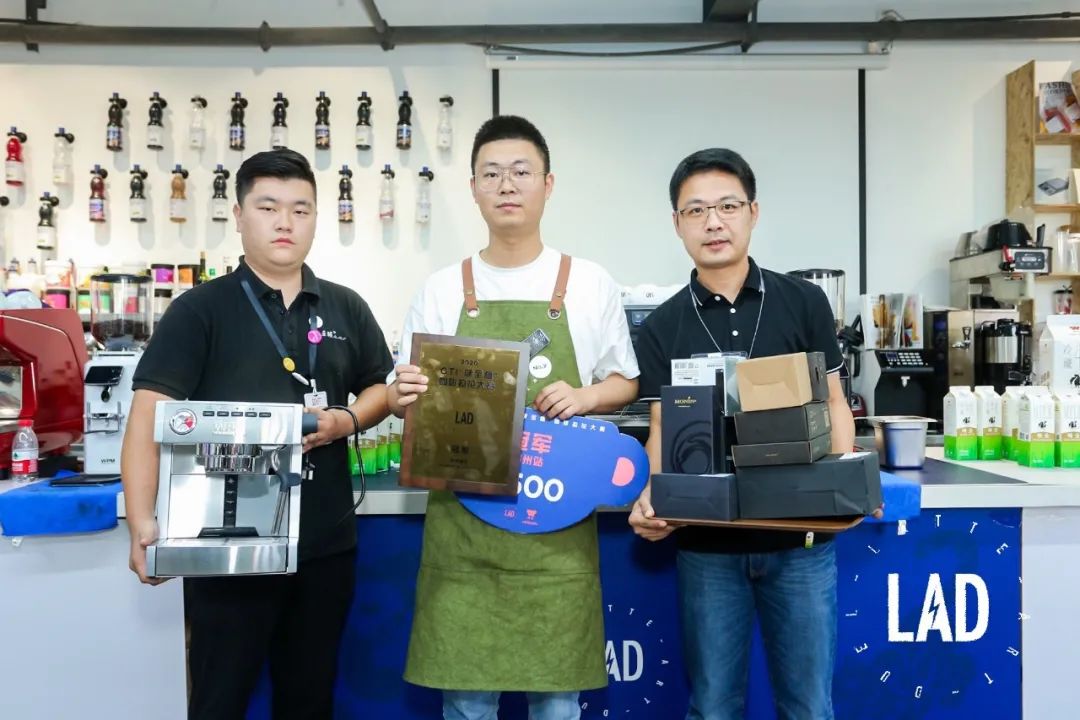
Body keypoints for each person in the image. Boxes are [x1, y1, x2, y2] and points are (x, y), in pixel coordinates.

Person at [121, 148, 394, 719]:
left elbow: (381, 387)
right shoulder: (200, 310)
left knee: (309, 699)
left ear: (316, 218)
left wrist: (347, 419)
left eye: (300, 209)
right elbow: (148, 413)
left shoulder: (346, 307)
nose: (284, 222)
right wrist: (142, 522)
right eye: (268, 207)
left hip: (324, 544)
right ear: (240, 215)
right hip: (226, 546)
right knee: (219, 699)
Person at [388, 115, 640, 720]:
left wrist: (585, 397)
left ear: (548, 185)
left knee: (557, 704)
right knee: (466, 704)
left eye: (521, 171)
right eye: (492, 173)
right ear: (473, 188)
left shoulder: (589, 283)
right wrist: (404, 393)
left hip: (556, 533)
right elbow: (402, 394)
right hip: (463, 533)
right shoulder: (442, 289)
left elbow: (626, 382)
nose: (507, 185)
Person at [627, 148, 857, 720]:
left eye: (728, 206)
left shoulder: (802, 301)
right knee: (712, 707)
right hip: (708, 548)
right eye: (696, 210)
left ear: (753, 212)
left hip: (801, 544)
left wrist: (843, 484)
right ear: (677, 223)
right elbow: (662, 430)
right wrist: (652, 496)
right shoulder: (662, 325)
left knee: (809, 708)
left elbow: (835, 403)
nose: (713, 222)